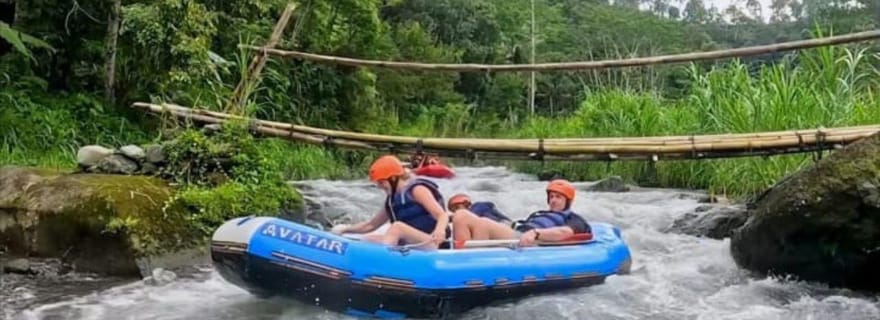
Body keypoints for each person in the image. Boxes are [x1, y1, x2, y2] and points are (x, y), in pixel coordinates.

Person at [330, 155, 450, 249]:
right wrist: (345, 229)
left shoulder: (417, 190)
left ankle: (385, 261)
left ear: (393, 178)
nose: (380, 187)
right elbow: (370, 225)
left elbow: (442, 215)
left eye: (382, 182)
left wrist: (439, 231)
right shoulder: (391, 201)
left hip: (433, 243)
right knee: (368, 239)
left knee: (397, 227)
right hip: (413, 244)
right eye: (378, 183)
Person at [450, 179, 591, 247]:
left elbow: (564, 232)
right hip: (516, 228)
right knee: (476, 210)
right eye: (551, 196)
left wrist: (535, 233)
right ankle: (456, 246)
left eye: (558, 197)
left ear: (568, 201)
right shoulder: (539, 213)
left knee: (482, 223)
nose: (553, 200)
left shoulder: (574, 218)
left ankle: (467, 258)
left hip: (527, 238)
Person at [446, 193, 513, 225]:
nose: (455, 212)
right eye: (453, 211)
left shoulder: (479, 206)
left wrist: (444, 218)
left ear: (465, 203)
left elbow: (471, 215)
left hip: (513, 228)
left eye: (455, 208)